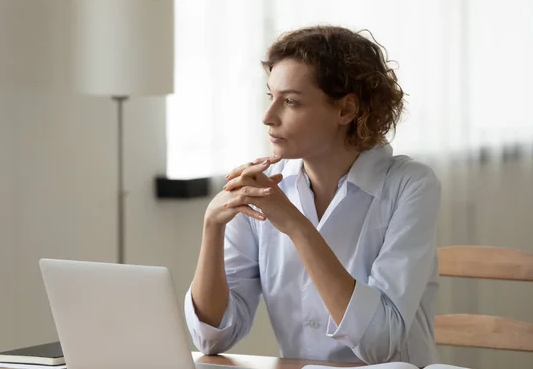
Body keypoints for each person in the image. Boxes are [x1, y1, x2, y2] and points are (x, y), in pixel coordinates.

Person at [184, 25, 441, 367]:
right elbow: (212, 338)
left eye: (290, 101)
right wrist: (212, 228)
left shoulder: (411, 185)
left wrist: (296, 225)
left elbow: (380, 344)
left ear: (346, 111)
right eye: (270, 96)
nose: (268, 117)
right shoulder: (264, 189)